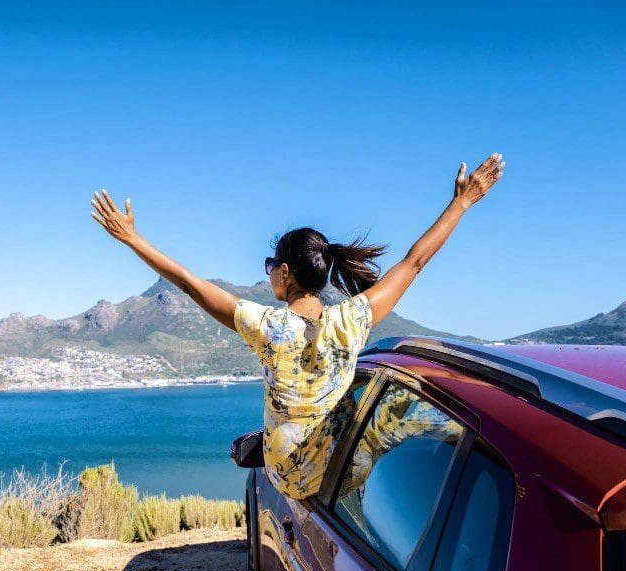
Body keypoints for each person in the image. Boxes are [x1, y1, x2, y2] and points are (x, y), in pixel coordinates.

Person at [90, 153, 504, 499]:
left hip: (292, 478)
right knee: (398, 401)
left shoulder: (267, 326)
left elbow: (190, 284)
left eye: (271, 266)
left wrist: (132, 239)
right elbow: (414, 262)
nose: (269, 273)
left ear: (285, 272)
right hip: (344, 471)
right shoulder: (353, 319)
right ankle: (491, 449)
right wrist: (462, 203)